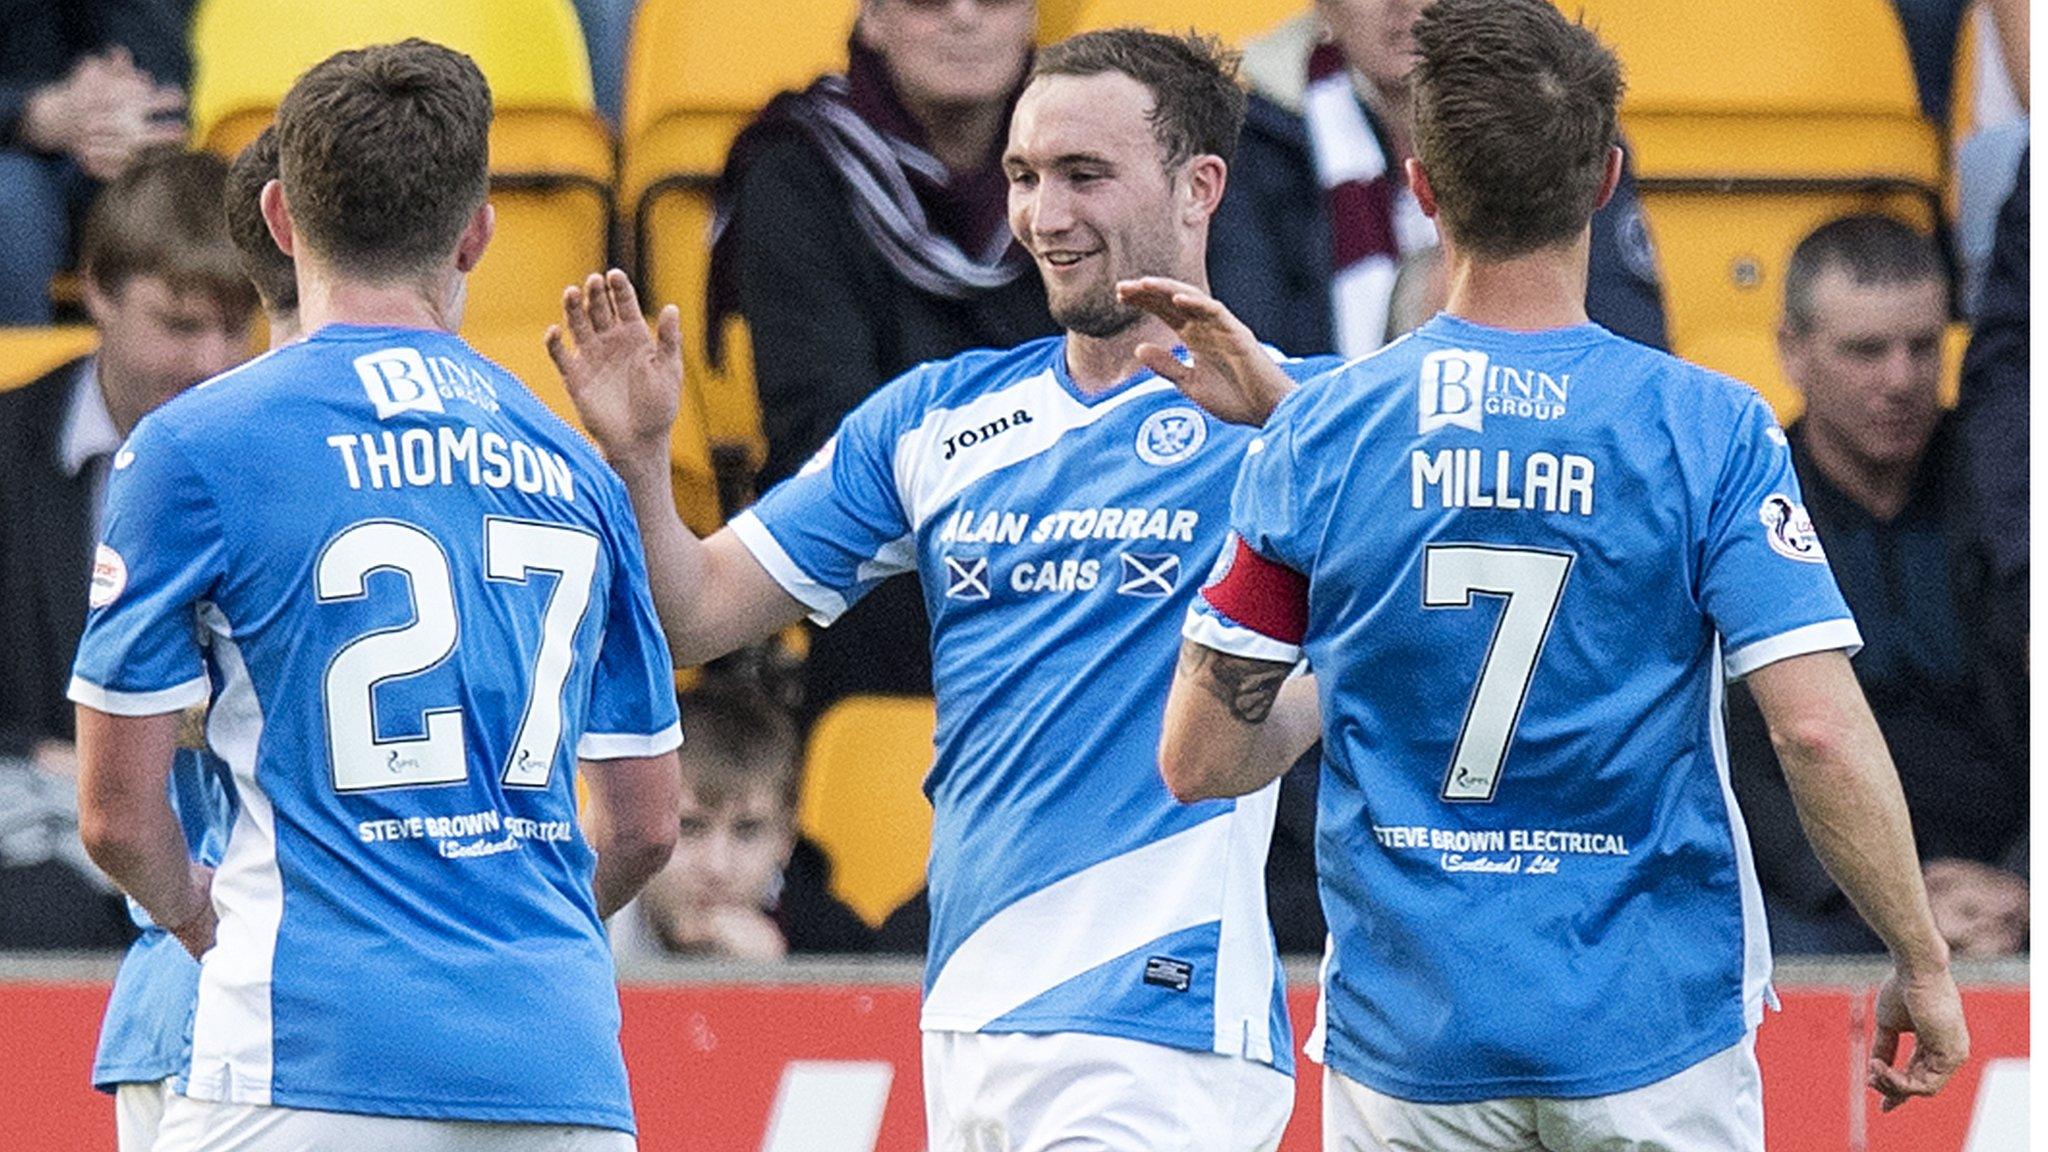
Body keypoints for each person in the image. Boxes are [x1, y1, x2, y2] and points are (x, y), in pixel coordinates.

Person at [1126, 1, 1968, 1147]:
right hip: (1649, 1036)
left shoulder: (1318, 435)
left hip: (1410, 1045)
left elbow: (1199, 757)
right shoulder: (1705, 427)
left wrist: (1354, 662)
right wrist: (1917, 957)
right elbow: (1812, 732)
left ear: (1422, 187)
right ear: (1606, 179)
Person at [550, 29, 1342, 1150]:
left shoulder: (1305, 419)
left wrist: (1285, 422)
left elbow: (1474, 581)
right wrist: (639, 458)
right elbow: (698, 607)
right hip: (966, 1020)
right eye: (1022, 177)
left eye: (1083, 176)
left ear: (1198, 187)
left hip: (1158, 1027)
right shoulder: (934, 419)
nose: (1043, 217)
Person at [70, 40, 683, 1152]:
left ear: (278, 219)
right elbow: (643, 823)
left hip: (304, 1055)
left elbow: (114, 816)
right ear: (478, 230)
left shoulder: (198, 447)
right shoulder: (579, 470)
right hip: (557, 1068)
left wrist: (207, 921)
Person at [707, 0, 1056, 724]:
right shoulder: (797, 168)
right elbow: (826, 431)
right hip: (886, 583)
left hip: (1068, 566)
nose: (964, 18)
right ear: (871, 19)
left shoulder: (1086, 171)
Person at [1724, 214, 2027, 958]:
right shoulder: (1736, 513)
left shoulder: (2010, 497)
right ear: (1791, 350)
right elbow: (1737, 756)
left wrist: (2021, 882)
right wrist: (1888, 898)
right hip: (1817, 903)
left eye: (1924, 347)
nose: (1900, 379)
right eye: (1865, 351)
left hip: (2010, 892)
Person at [89, 128, 301, 1152]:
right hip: (214, 989)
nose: (212, 363)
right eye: (181, 325)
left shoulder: (277, 461)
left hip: (223, 977)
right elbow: (116, 814)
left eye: (236, 326)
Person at [1209, 0, 1668, 359]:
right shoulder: (1258, 142)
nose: (1402, 5)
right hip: (1334, 456)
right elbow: (1253, 351)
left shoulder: (1555, 119)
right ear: (1324, 9)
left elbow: (1624, 332)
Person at [610, 680, 872, 959]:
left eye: (747, 831)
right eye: (687, 827)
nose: (717, 867)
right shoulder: (572, 922)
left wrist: (772, 985)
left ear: (786, 840)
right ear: (630, 825)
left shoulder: (838, 949)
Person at [1, 6, 192, 323]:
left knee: (164, 185)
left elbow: (161, 72)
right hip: (14, 156)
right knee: (12, 201)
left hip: (101, 151)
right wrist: (31, 112)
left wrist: (128, 120)